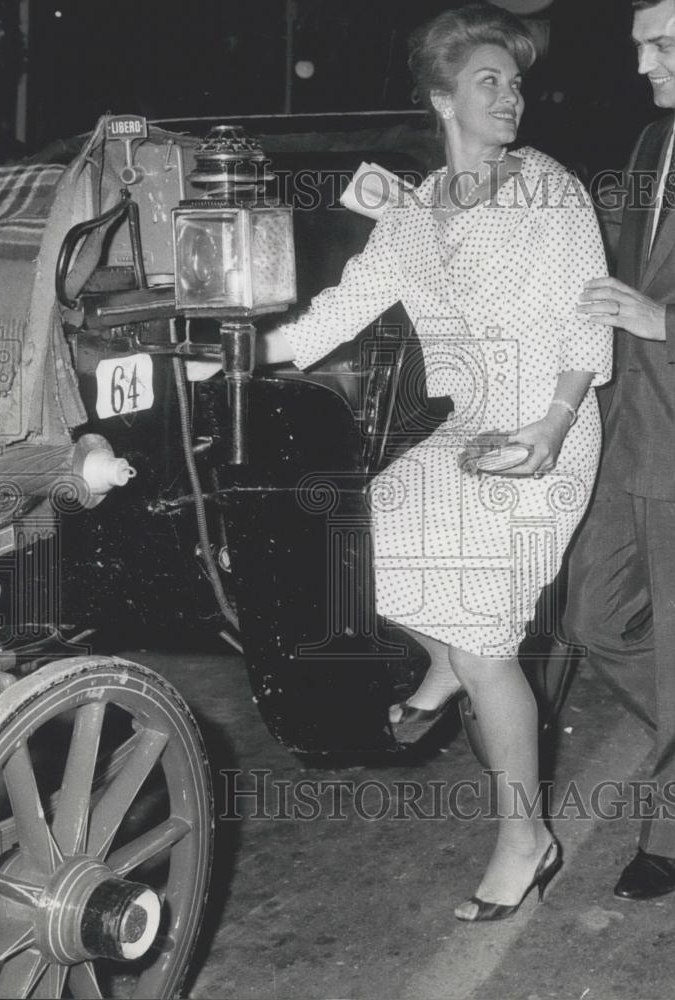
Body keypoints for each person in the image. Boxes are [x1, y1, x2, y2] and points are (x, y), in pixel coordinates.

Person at [260, 3, 612, 921]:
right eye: (488, 81)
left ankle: (522, 839)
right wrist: (252, 353)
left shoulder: (547, 187)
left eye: (517, 82)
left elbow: (587, 314)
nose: (511, 97)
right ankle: (449, 661)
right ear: (441, 99)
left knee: (485, 639)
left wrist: (552, 421)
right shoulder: (417, 212)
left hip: (548, 426)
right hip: (469, 429)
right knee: (352, 537)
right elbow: (351, 300)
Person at [564, 0, 675, 901]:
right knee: (592, 622)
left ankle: (667, 832)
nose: (643, 65)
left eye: (663, 45)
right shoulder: (650, 145)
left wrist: (661, 321)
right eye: (639, 44)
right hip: (628, 429)